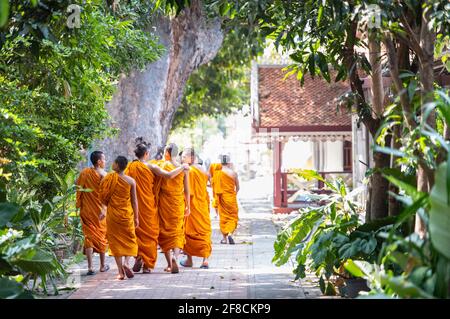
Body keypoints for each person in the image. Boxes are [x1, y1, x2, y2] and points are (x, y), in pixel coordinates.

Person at [125, 138, 188, 274]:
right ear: (146, 154)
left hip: (133, 205)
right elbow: (169, 176)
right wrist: (182, 167)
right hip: (148, 206)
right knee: (150, 234)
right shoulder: (151, 167)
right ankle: (147, 266)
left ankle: (138, 258)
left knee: (136, 233)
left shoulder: (129, 167)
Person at [99, 156, 139, 280]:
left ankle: (120, 272)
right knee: (129, 239)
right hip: (126, 215)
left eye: (114, 162)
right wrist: (136, 217)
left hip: (113, 216)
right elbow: (134, 201)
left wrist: (103, 209)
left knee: (115, 242)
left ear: (117, 165)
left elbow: (103, 197)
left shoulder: (108, 179)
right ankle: (127, 263)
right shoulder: (131, 181)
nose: (112, 164)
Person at [157, 143, 190, 273]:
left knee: (164, 231)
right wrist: (188, 205)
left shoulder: (164, 165)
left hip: (165, 202)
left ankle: (170, 263)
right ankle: (176, 257)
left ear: (167, 153)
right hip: (178, 203)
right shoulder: (184, 168)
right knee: (177, 231)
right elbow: (187, 189)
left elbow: (165, 179)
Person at [76, 151, 109, 275]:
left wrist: (78, 204)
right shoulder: (104, 175)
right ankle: (102, 265)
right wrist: (105, 209)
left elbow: (78, 189)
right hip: (99, 211)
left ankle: (90, 267)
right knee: (101, 236)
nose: (105, 161)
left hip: (86, 210)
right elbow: (106, 195)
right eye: (104, 159)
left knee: (88, 237)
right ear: (99, 162)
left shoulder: (84, 173)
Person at [180, 148, 211, 269]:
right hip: (202, 204)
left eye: (184, 157)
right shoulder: (203, 170)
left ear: (191, 158)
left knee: (188, 231)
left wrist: (186, 205)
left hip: (192, 205)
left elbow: (188, 190)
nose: (182, 159)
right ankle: (205, 260)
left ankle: (189, 260)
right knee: (204, 231)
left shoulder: (189, 170)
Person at [213, 155, 239, 244]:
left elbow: (214, 186)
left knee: (223, 218)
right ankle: (230, 233)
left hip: (222, 199)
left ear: (221, 163)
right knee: (233, 217)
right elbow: (238, 187)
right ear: (228, 162)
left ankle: (224, 239)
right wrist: (233, 194)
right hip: (231, 198)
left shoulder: (217, 173)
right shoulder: (234, 173)